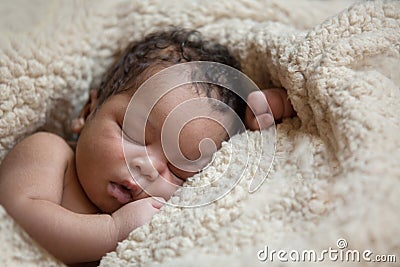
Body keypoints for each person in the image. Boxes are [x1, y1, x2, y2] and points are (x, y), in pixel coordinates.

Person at [0, 28, 295, 265]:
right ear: (88, 112)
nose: (148, 167)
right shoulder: (50, 152)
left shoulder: (158, 216)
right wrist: (110, 232)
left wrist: (264, 120)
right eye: (133, 134)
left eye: (179, 170)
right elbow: (18, 213)